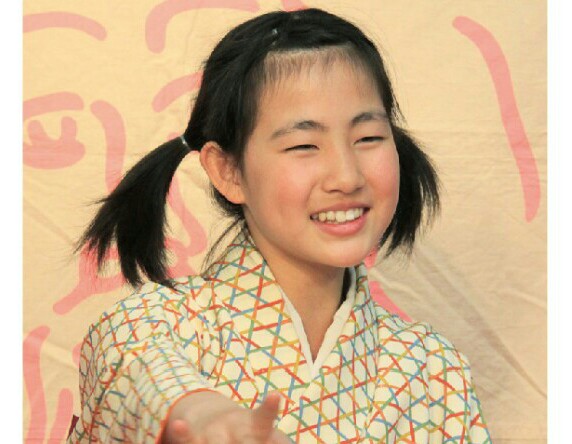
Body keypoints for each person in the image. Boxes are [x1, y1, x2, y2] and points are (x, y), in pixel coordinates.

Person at [67, 8, 491, 444]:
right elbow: (144, 373)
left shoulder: (436, 372)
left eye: (368, 138)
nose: (347, 177)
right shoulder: (150, 325)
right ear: (228, 170)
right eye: (304, 145)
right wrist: (205, 415)